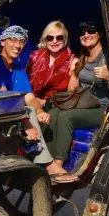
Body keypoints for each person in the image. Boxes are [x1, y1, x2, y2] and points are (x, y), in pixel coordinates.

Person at [42, 20, 109, 179]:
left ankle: (58, 164)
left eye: (91, 30)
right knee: (54, 112)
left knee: (66, 117)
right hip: (83, 103)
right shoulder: (83, 56)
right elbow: (73, 89)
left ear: (99, 34)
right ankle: (49, 162)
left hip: (103, 109)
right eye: (82, 32)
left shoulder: (108, 56)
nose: (86, 35)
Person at [0, 25, 54, 166]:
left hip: (10, 111)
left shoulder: (17, 67)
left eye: (21, 41)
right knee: (28, 111)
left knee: (39, 112)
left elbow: (29, 97)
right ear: (3, 42)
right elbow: (3, 97)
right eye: (13, 40)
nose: (18, 45)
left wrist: (40, 111)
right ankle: (45, 162)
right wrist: (27, 123)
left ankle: (33, 154)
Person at [26, 20, 79, 182]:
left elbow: (71, 93)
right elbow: (23, 83)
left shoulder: (73, 61)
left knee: (53, 116)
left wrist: (46, 101)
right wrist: (35, 101)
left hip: (57, 102)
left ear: (65, 40)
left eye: (59, 38)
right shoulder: (34, 57)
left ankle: (54, 163)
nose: (54, 41)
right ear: (45, 40)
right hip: (31, 99)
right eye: (50, 38)